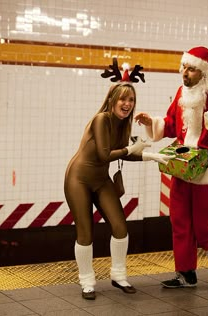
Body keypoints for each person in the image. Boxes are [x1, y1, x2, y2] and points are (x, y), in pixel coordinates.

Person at [134, 46, 208, 293]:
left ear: (205, 72)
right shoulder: (181, 93)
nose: (184, 73)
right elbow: (172, 124)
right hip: (182, 166)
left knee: (205, 225)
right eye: (184, 67)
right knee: (180, 222)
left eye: (191, 69)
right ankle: (186, 274)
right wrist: (151, 122)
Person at [64, 76, 172, 300]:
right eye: (123, 99)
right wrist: (133, 148)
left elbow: (124, 153)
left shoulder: (124, 124)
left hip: (101, 179)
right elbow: (105, 155)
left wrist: (150, 155)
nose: (127, 104)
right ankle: (87, 281)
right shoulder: (101, 119)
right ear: (112, 100)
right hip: (79, 179)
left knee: (120, 226)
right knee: (85, 232)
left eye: (131, 99)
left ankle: (119, 275)